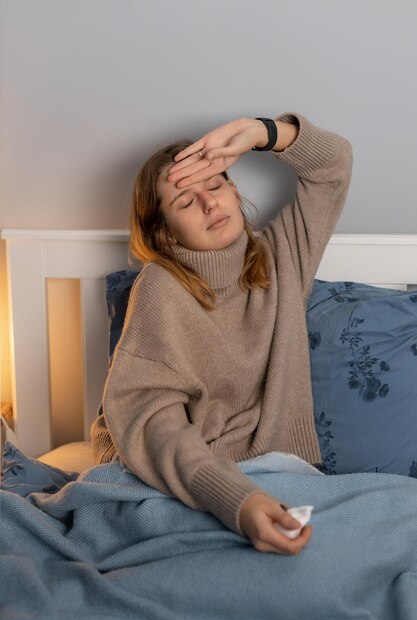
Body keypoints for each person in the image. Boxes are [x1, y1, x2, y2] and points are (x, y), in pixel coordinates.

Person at [91, 112, 353, 555]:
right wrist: (236, 498)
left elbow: (334, 166)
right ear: (162, 230)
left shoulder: (282, 256)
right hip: (187, 479)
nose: (210, 203)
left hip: (282, 471)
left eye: (214, 185)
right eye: (186, 201)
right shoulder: (161, 288)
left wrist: (260, 133)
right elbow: (154, 421)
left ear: (234, 190)